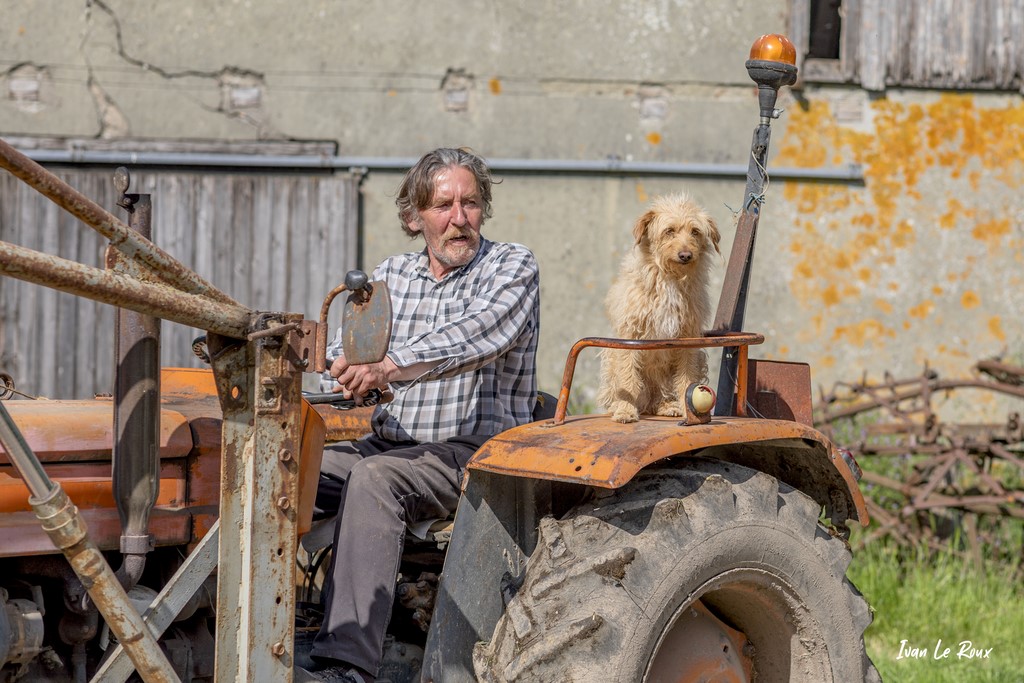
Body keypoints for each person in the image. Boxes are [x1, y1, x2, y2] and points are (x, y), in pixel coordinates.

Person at [299, 148, 541, 683]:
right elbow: (349, 347)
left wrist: (387, 366)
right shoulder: (392, 275)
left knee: (374, 480)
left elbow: (477, 335)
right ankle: (247, 620)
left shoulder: (511, 266)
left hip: (474, 453)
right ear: (414, 218)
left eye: (470, 203)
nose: (460, 218)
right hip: (390, 443)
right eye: (443, 206)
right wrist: (343, 368)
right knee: (284, 469)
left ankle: (346, 663)